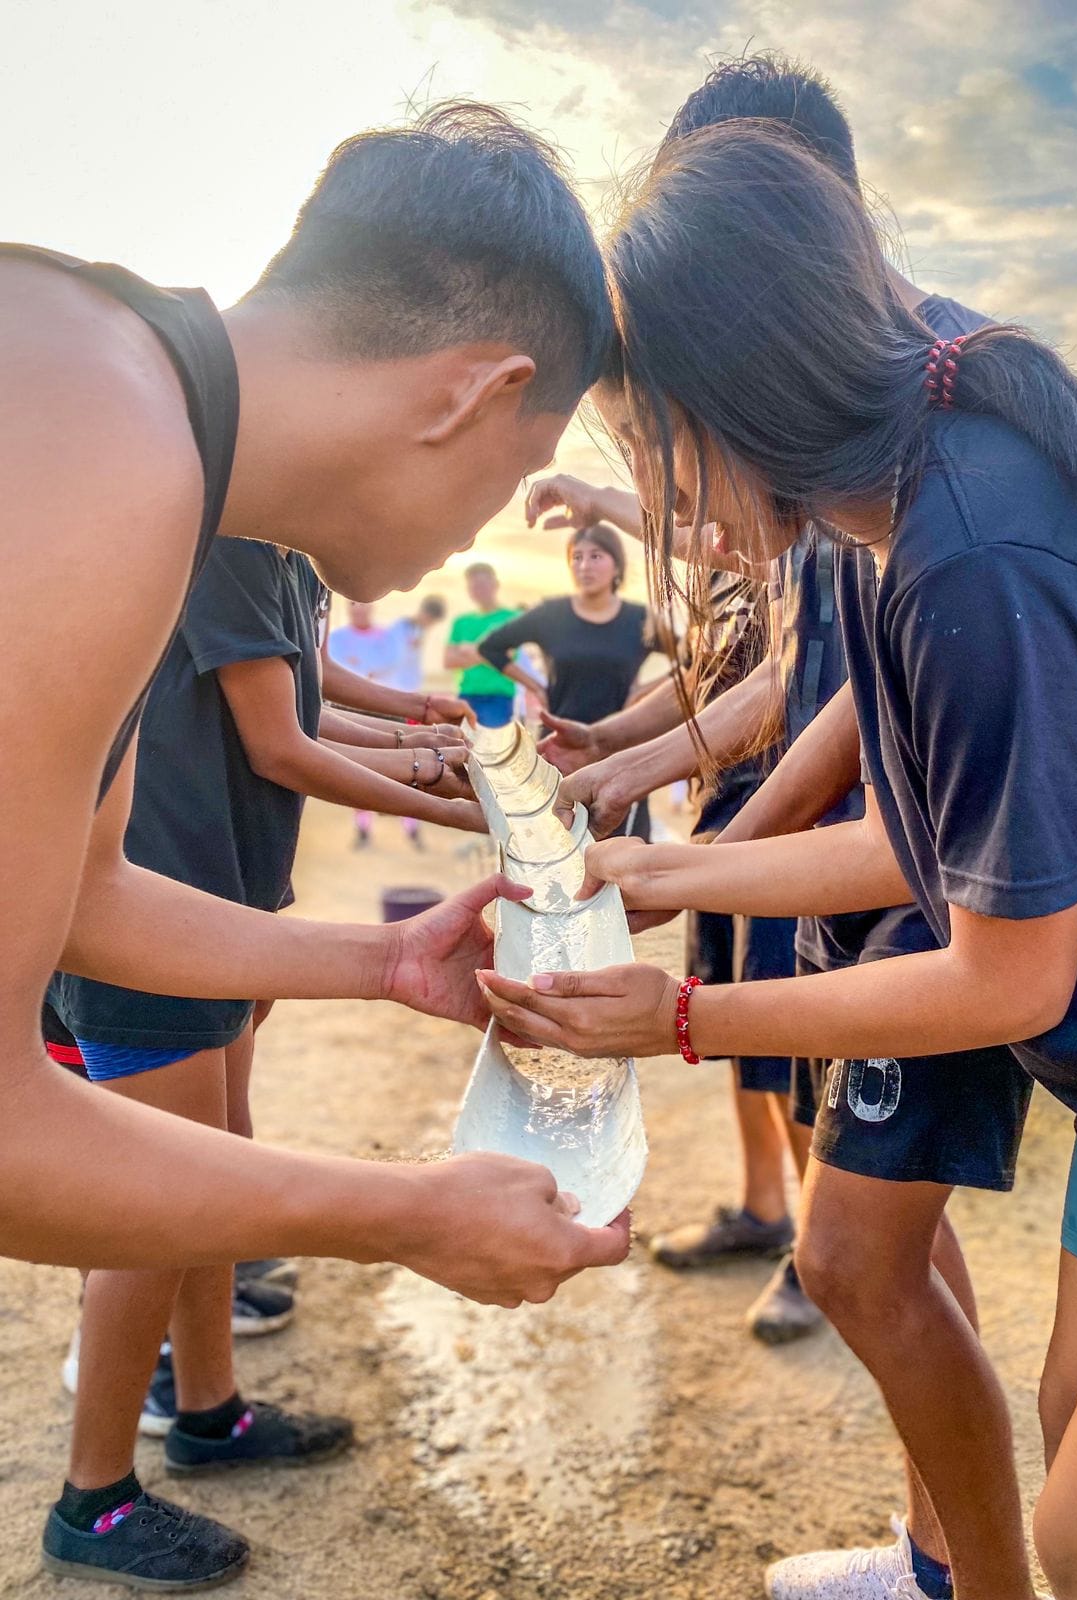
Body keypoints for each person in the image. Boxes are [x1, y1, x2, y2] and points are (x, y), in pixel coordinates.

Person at [478, 107, 1077, 1600]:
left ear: (738, 397)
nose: (652, 499)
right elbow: (912, 845)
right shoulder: (886, 524)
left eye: (647, 449)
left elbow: (1005, 975)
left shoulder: (971, 553)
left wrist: (683, 1018)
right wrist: (656, 872)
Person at [2, 99, 631, 1586]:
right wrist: (403, 1214)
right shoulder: (109, 454)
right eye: (513, 478)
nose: (484, 529)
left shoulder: (116, 391)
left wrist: (385, 958)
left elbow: (87, 899)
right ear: (480, 391)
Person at [522, 57, 1034, 1600]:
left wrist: (681, 964)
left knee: (866, 1259)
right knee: (871, 1252)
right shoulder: (867, 456)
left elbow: (883, 791)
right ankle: (939, 1557)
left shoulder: (945, 490)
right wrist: (657, 834)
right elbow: (850, 717)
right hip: (921, 892)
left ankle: (967, 1570)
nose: (674, 497)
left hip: (1009, 953)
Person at [526, 474, 817, 1340]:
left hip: (788, 828)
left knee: (786, 1043)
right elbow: (703, 675)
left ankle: (818, 1248)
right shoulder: (726, 571)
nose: (695, 529)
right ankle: (764, 1209)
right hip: (721, 819)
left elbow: (780, 683)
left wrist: (598, 499)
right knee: (733, 1037)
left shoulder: (798, 544)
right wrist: (609, 738)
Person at [476, 523, 654, 838]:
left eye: (595, 556)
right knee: (557, 844)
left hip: (621, 751)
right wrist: (535, 686)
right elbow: (491, 647)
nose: (584, 566)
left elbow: (691, 660)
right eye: (577, 557)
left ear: (617, 566)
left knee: (624, 849)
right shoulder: (552, 615)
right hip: (559, 748)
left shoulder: (639, 619)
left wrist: (643, 693)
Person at [327, 594, 451, 847]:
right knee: (360, 769)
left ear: (372, 605)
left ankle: (412, 825)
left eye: (363, 602)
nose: (359, 608)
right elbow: (337, 676)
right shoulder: (336, 639)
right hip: (356, 712)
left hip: (389, 707)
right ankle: (363, 828)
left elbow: (395, 666)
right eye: (354, 603)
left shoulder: (388, 636)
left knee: (408, 767)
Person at [444, 561, 522, 727]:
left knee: (492, 743)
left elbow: (508, 655)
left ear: (495, 585)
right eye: (473, 587)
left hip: (499, 698)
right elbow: (449, 661)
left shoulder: (512, 618)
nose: (477, 590)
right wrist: (490, 652)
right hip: (466, 695)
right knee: (460, 741)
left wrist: (468, 650)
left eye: (482, 585)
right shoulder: (461, 621)